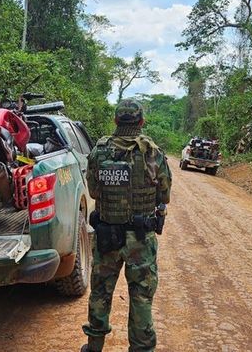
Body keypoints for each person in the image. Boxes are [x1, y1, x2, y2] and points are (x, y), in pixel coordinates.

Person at [81, 99, 172, 352]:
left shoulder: (100, 151)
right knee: (141, 296)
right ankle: (142, 348)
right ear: (141, 122)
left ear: (116, 121)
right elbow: (164, 196)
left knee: (100, 292)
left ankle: (94, 345)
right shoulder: (153, 152)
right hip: (141, 239)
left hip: (108, 235)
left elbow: (94, 191)